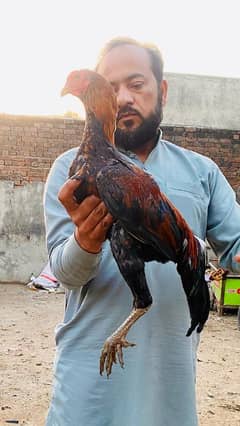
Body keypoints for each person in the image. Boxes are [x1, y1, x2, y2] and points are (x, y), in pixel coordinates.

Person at [44, 37, 240, 426]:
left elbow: (236, 245)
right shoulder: (69, 170)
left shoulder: (201, 172)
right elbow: (63, 274)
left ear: (161, 89)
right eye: (111, 86)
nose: (123, 98)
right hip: (87, 390)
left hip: (169, 387)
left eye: (136, 84)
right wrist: (85, 241)